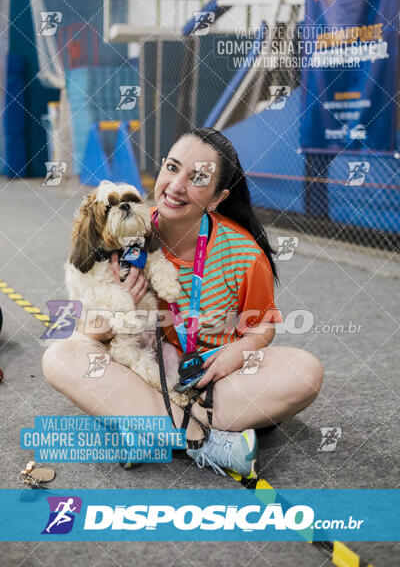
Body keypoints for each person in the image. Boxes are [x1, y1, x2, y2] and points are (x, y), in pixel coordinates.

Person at [42, 128, 323, 479]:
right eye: (172, 168)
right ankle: (207, 440)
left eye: (198, 178)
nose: (176, 186)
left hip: (214, 381)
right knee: (59, 356)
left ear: (217, 198)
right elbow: (90, 334)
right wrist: (121, 305)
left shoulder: (244, 254)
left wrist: (240, 351)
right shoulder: (120, 241)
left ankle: (144, 427)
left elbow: (262, 325)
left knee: (306, 372)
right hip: (142, 370)